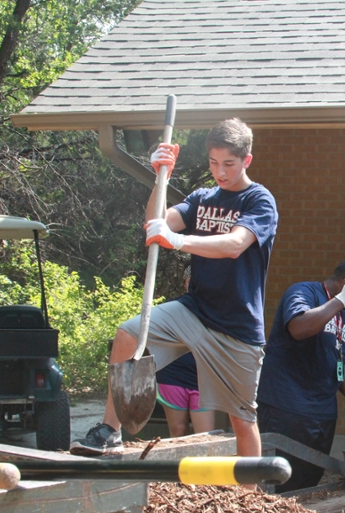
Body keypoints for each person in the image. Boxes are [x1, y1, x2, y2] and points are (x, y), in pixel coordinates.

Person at [71, 118, 278, 469]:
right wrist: (161, 176)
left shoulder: (258, 199)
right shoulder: (202, 198)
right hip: (194, 310)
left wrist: (180, 241)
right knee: (128, 333)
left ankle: (251, 495)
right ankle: (109, 429)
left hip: (236, 328)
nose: (220, 172)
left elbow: (235, 244)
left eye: (228, 164)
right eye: (213, 163)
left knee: (243, 420)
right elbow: (156, 222)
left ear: (247, 160)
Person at [257, 261, 345, 493]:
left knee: (306, 484)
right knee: (278, 483)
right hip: (286, 405)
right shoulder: (304, 292)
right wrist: (340, 300)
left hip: (322, 415)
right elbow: (299, 328)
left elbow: (344, 365)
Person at [155, 265, 216, 438]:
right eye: (190, 281)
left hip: (203, 380)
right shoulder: (171, 308)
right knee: (178, 432)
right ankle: (180, 466)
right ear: (185, 283)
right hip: (172, 376)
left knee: (205, 436)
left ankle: (204, 467)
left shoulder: (217, 312)